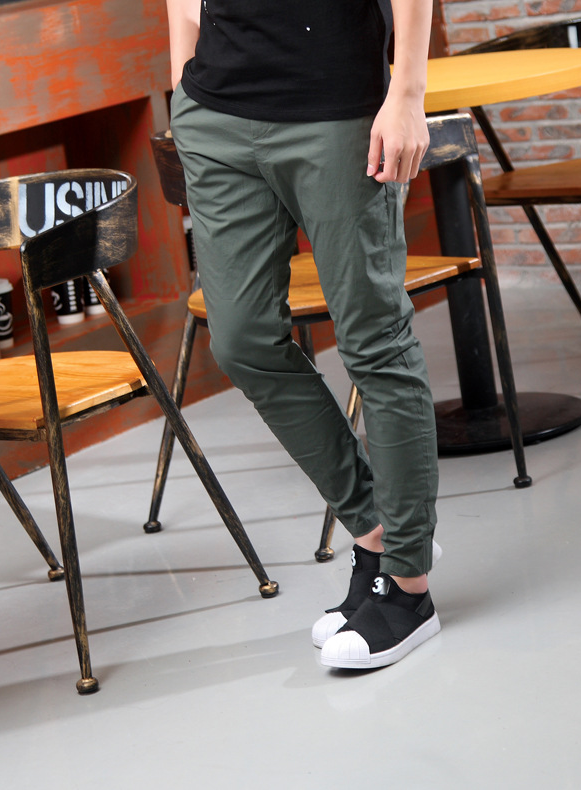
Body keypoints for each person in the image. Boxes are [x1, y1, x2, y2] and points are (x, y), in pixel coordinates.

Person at [165, 0, 440, 670]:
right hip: (216, 114)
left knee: (374, 342)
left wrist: (406, 94)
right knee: (241, 341)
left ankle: (408, 589)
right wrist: (182, 83)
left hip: (337, 111)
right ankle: (376, 531)